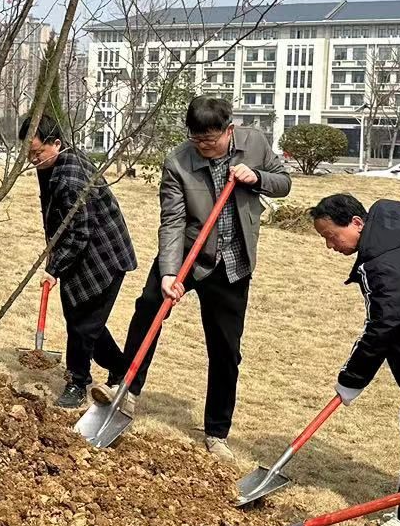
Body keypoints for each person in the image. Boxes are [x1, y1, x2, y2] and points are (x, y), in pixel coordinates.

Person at [102, 95, 290, 458]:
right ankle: (126, 390)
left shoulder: (254, 143)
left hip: (233, 262)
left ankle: (217, 432)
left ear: (229, 130)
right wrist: (169, 273)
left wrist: (257, 177)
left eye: (211, 140)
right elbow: (172, 220)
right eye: (196, 139)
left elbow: (284, 182)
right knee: (148, 308)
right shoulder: (178, 161)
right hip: (189, 251)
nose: (203, 146)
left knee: (225, 349)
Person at [309, 193, 400, 526]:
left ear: (356, 223)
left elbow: (383, 326)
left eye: (331, 236)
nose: (330, 246)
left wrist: (351, 379)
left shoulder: (381, 263)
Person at [21, 113, 137, 409]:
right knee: (83, 323)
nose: (33, 159)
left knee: (84, 326)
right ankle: (121, 369)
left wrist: (53, 269)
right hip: (82, 254)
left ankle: (77, 381)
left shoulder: (72, 177)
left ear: (56, 143)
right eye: (28, 153)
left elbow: (79, 232)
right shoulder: (50, 165)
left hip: (103, 257)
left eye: (37, 152)